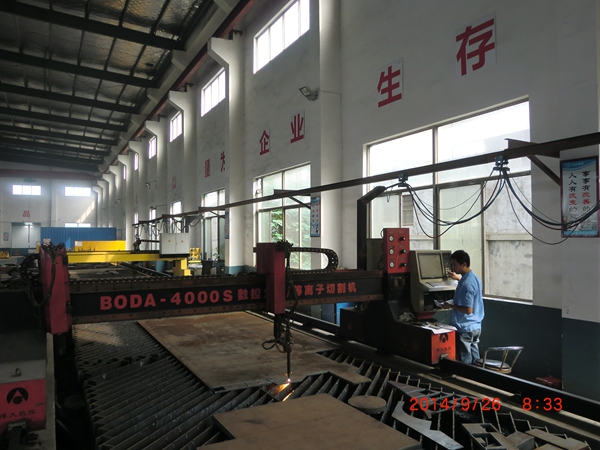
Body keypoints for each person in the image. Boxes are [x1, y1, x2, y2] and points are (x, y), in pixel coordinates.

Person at [443, 250, 484, 364]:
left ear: (464, 264)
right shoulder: (473, 278)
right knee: (475, 358)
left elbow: (468, 310)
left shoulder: (467, 284)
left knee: (465, 360)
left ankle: (466, 375)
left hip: (465, 327)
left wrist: (451, 305)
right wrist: (457, 278)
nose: (453, 268)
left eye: (454, 265)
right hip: (475, 326)